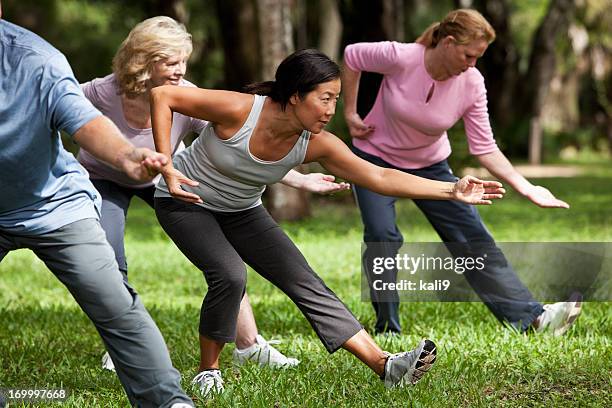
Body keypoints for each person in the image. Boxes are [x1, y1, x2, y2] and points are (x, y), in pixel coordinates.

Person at [149, 48, 505, 396]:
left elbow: (379, 177)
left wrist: (450, 189)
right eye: (324, 98)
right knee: (229, 274)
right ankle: (207, 371)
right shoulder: (240, 109)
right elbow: (164, 95)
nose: (330, 110)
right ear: (294, 96)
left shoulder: (315, 144)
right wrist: (166, 164)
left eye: (336, 99)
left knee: (304, 280)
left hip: (242, 210)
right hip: (185, 202)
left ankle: (385, 365)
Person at [78, 16, 347, 372]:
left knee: (225, 261)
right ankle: (123, 343)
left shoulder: (187, 96)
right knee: (111, 260)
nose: (180, 69)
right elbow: (55, 110)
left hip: (168, 178)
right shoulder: (101, 92)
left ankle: (249, 344)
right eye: (170, 61)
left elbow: (238, 151)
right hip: (103, 178)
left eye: (183, 60)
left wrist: (299, 179)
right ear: (142, 60)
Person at [341, 8, 582, 336]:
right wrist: (351, 112)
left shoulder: (472, 83)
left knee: (472, 237)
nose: (473, 64)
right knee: (382, 237)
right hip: (373, 159)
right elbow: (352, 56)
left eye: (479, 57)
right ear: (449, 43)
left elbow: (484, 147)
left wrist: (526, 187)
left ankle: (532, 319)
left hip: (431, 166)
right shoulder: (402, 57)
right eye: (469, 55)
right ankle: (388, 328)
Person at [0, 6, 193, 408]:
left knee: (115, 303)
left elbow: (86, 121)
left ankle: (168, 402)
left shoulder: (36, 62)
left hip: (53, 207)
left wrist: (127, 157)